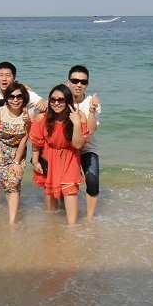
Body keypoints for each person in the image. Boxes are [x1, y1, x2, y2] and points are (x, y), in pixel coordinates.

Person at [30, 84, 88, 225]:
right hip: (49, 157)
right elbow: (36, 143)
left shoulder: (78, 116)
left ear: (68, 101)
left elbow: (78, 145)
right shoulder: (41, 118)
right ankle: (53, 229)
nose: (56, 103)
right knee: (51, 206)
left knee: (69, 190)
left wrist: (76, 124)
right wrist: (35, 162)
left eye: (61, 100)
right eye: (53, 99)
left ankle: (72, 229)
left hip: (70, 157)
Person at [0, 82, 30, 224]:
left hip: (19, 152)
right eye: (11, 96)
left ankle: (12, 221)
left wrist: (16, 161)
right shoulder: (0, 112)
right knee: (7, 185)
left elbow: (25, 138)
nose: (15, 100)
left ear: (24, 98)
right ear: (6, 98)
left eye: (19, 97)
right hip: (2, 152)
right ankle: (13, 215)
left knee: (14, 183)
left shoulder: (27, 114)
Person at [67, 65, 102, 219]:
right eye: (75, 81)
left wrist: (92, 110)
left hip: (88, 147)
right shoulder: (60, 99)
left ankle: (89, 220)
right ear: (68, 82)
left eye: (83, 82)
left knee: (93, 182)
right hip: (67, 149)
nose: (78, 84)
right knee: (65, 184)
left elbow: (91, 130)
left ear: (87, 84)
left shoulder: (91, 102)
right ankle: (62, 212)